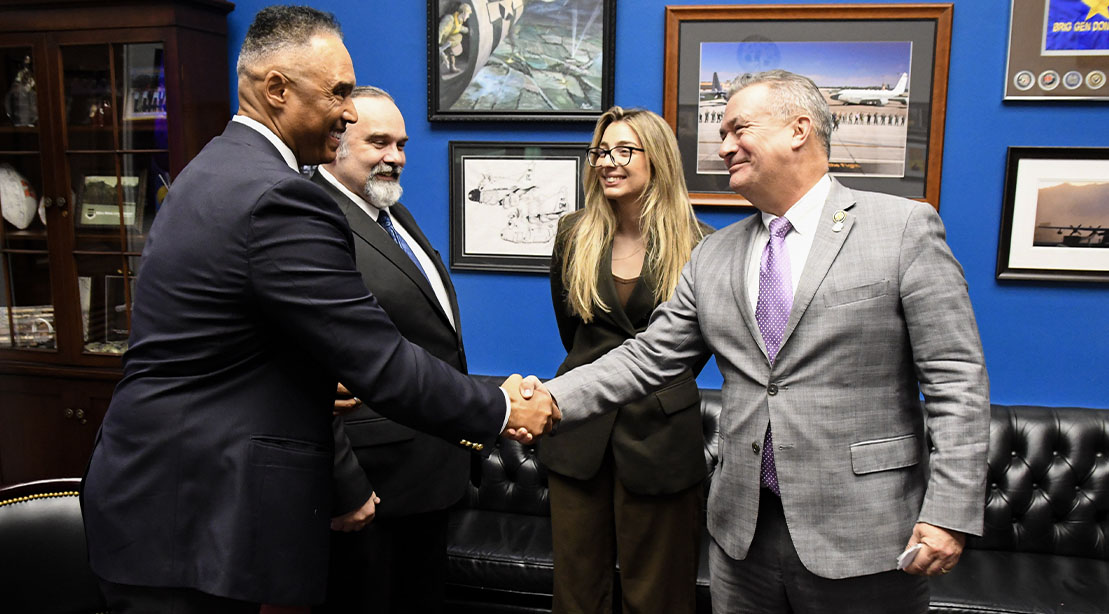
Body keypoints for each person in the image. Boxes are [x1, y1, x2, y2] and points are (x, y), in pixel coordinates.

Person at [81, 6, 556, 613]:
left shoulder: (213, 169)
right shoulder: (278, 198)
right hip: (193, 516)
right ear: (277, 90)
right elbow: (378, 361)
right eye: (336, 92)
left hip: (163, 504)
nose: (349, 110)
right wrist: (500, 406)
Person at [530, 70, 989, 613]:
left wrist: (949, 511)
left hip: (861, 531)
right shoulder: (713, 254)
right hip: (742, 533)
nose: (723, 147)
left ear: (799, 129)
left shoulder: (903, 228)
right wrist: (548, 399)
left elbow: (955, 377)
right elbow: (650, 356)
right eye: (720, 134)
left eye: (736, 129)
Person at [541, 106, 711, 614]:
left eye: (624, 151)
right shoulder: (574, 234)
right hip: (578, 436)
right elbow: (573, 333)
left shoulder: (700, 244)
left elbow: (690, 349)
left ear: (655, 158)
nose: (608, 162)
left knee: (657, 594)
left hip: (661, 438)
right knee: (577, 593)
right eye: (600, 151)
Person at [309, 86, 467, 613]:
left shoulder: (390, 215)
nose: (394, 157)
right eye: (379, 142)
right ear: (337, 140)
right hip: (372, 483)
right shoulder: (315, 220)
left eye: (400, 144)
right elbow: (314, 371)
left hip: (424, 475)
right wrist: (344, 483)